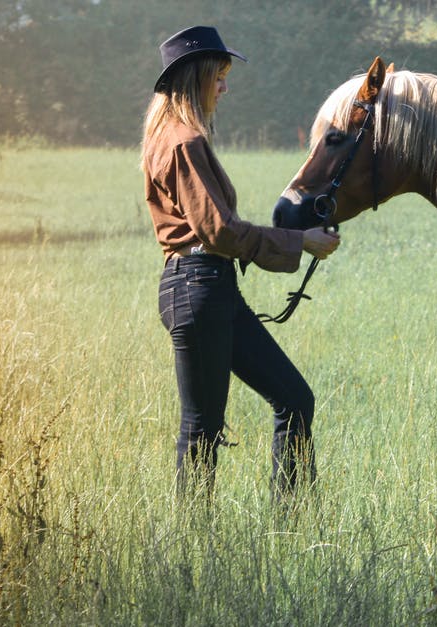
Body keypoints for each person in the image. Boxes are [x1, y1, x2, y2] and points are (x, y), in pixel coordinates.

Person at [140, 25, 340, 498]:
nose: (225, 87)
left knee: (293, 398)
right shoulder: (183, 141)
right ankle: (193, 544)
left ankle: (288, 525)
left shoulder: (175, 136)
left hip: (209, 288)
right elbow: (219, 231)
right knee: (202, 427)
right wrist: (299, 241)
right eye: (219, 77)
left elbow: (217, 231)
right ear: (194, 79)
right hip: (198, 288)